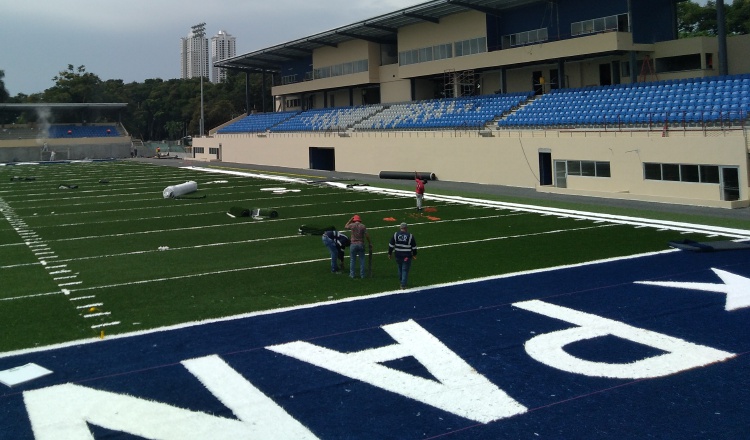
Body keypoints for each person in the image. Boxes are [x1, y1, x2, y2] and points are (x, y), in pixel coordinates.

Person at [388, 222, 418, 289]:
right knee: (405, 270)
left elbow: (391, 245)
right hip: (406, 256)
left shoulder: (395, 234)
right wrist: (414, 254)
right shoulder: (410, 236)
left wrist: (389, 253)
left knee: (400, 268)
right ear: (406, 228)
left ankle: (401, 281)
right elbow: (414, 247)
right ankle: (403, 285)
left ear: (400, 228)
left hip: (398, 255)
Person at [345, 214, 372, 279]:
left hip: (353, 244)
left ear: (354, 220)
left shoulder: (352, 225)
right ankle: (362, 275)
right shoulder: (363, 226)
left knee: (352, 260)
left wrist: (350, 220)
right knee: (362, 260)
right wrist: (370, 243)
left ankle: (352, 275)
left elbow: (346, 226)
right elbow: (367, 235)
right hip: (361, 244)